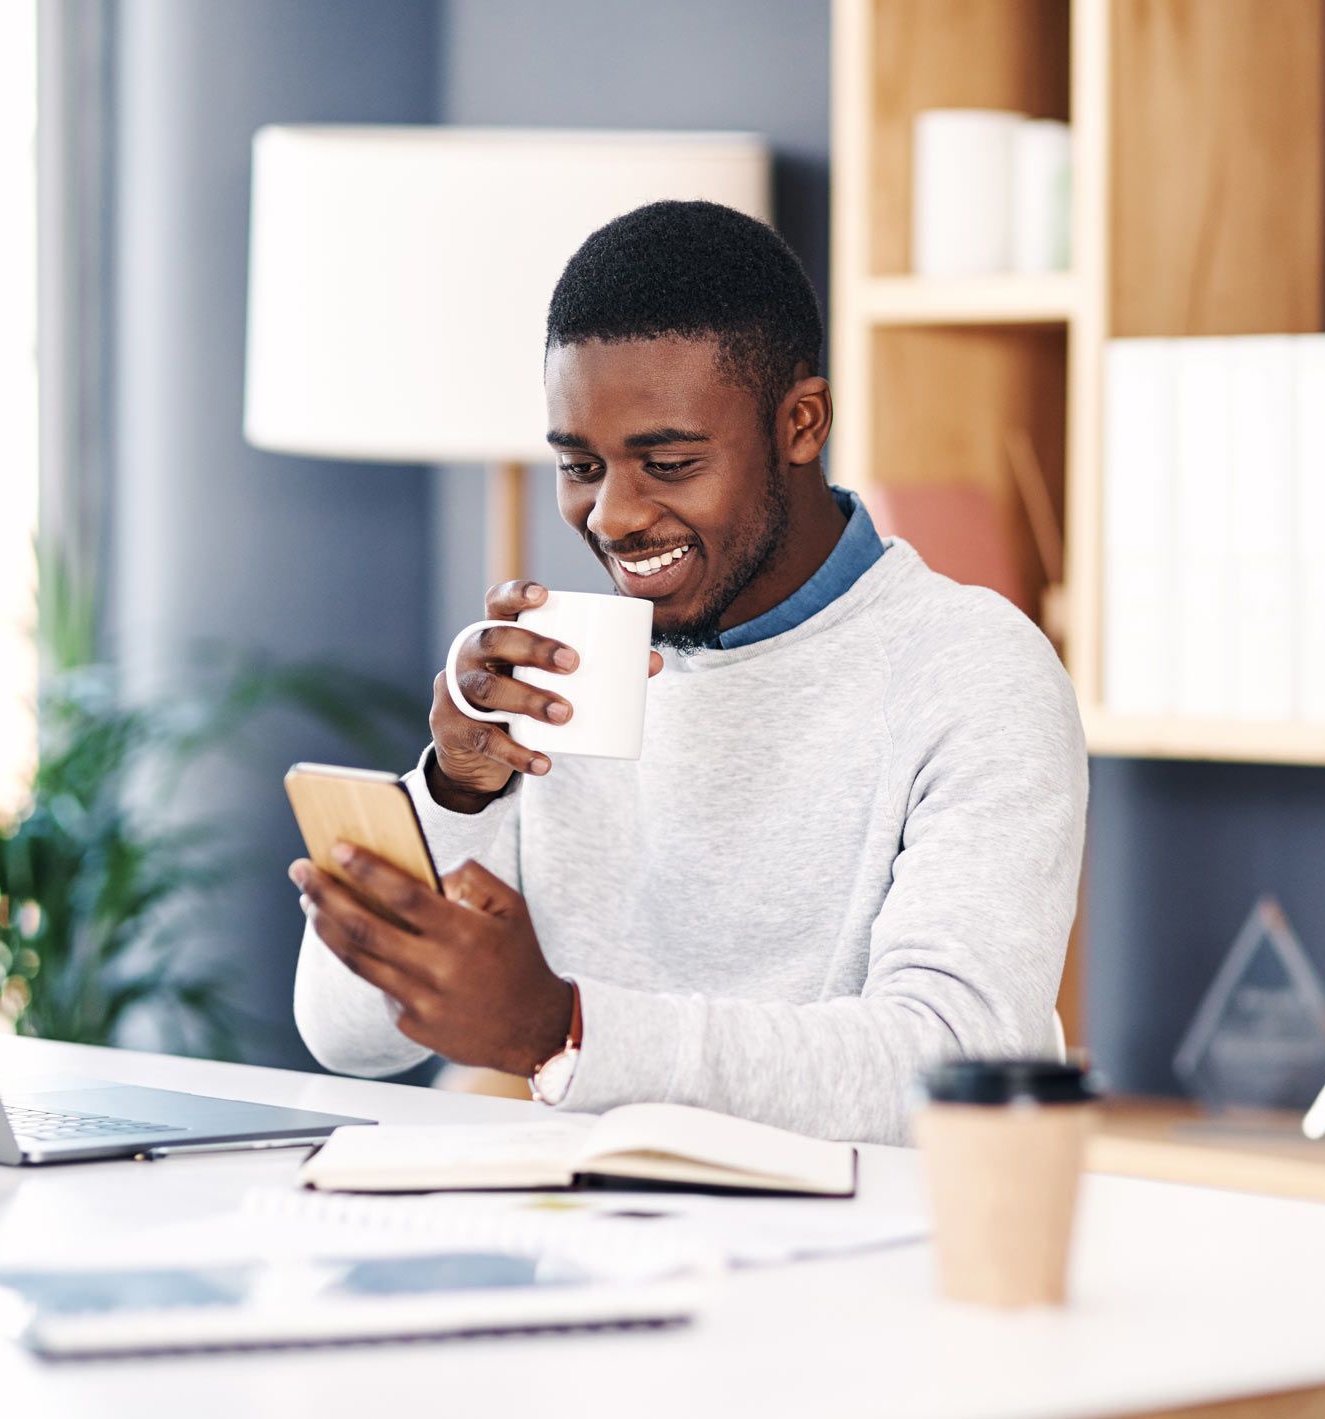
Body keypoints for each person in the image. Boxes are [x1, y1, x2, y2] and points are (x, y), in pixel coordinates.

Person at [289, 200, 1086, 1144]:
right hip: (586, 1243)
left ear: (801, 422)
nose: (613, 517)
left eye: (667, 462)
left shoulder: (971, 670)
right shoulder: (565, 668)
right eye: (580, 465)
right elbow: (345, 1037)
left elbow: (952, 1059)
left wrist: (566, 1028)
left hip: (854, 1257)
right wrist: (459, 793)